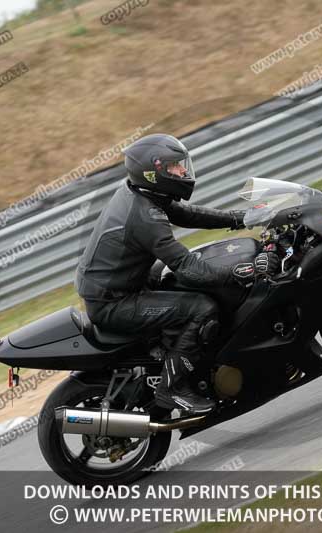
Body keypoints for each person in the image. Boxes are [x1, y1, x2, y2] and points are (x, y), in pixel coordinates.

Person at [75, 133, 279, 415]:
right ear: (152, 172)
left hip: (123, 285)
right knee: (201, 308)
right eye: (174, 166)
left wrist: (240, 218)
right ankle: (172, 387)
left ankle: (175, 349)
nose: (183, 171)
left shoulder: (142, 194)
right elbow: (189, 268)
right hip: (114, 303)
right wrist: (245, 270)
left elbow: (187, 214)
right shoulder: (145, 216)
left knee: (178, 281)